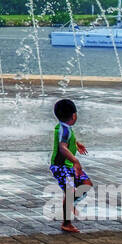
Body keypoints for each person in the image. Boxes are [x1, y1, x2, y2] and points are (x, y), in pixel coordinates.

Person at [50, 98, 92, 234]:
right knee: (70, 192)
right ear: (74, 115)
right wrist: (75, 161)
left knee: (86, 183)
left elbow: (66, 141)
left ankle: (69, 203)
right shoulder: (64, 129)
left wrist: (76, 143)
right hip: (61, 167)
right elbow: (62, 148)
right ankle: (66, 222)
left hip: (67, 166)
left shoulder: (65, 128)